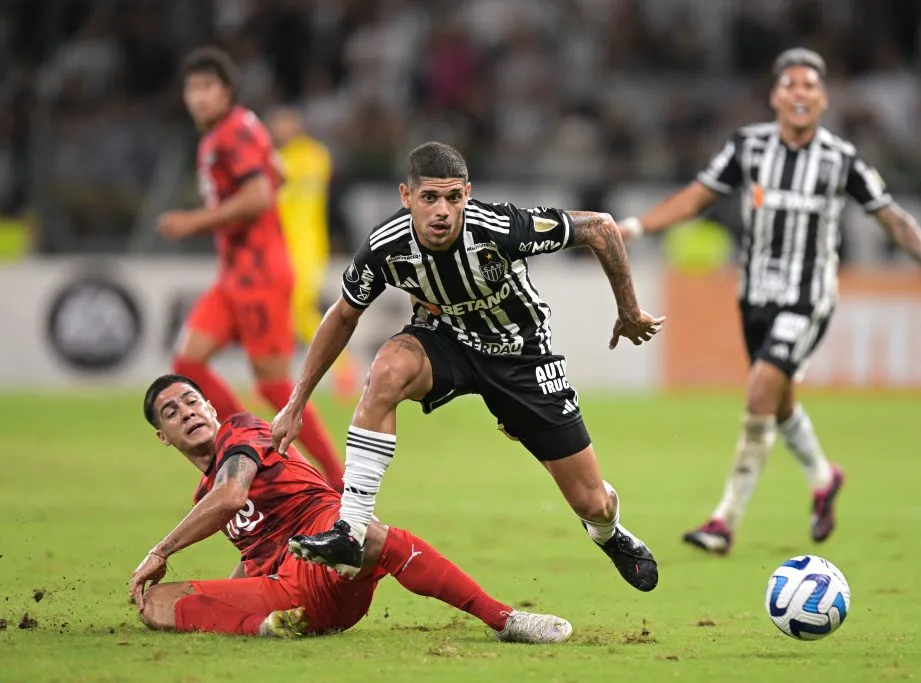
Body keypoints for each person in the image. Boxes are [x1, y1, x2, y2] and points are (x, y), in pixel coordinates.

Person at [271, 141, 664, 592]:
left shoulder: (501, 227)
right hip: (446, 341)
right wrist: (296, 402)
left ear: (468, 194)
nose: (442, 210)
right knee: (386, 370)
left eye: (454, 197)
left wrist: (629, 311)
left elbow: (601, 227)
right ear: (406, 196)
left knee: (591, 501)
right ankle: (351, 529)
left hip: (520, 356)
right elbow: (343, 314)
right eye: (430, 198)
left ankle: (609, 534)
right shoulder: (387, 246)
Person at [616, 48, 921, 554]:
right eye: (790, 85)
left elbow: (892, 217)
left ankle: (723, 522)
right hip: (754, 295)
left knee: (760, 390)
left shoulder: (840, 159)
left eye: (810, 86)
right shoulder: (749, 147)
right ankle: (824, 479)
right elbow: (698, 195)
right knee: (779, 403)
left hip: (809, 298)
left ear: (823, 99)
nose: (800, 93)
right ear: (776, 96)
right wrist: (638, 227)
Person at [129, 374, 572, 643]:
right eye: (171, 412)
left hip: (324, 542)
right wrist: (223, 599)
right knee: (156, 603)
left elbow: (230, 498)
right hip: (289, 594)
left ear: (210, 407)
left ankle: (504, 619)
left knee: (364, 534)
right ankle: (268, 628)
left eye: (191, 401)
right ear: (163, 435)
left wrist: (161, 551)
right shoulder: (202, 496)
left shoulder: (242, 432)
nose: (186, 412)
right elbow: (254, 559)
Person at [157, 46, 344, 490]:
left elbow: (260, 195)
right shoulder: (239, 127)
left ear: (227, 92)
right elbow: (275, 174)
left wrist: (193, 222)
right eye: (192, 88)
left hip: (260, 275)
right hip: (235, 275)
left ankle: (338, 485)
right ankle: (240, 443)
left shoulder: (230, 133)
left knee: (274, 385)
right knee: (188, 363)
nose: (199, 97)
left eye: (208, 87)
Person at [266, 107, 359, 396]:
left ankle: (344, 367)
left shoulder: (303, 157)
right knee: (284, 312)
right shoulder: (312, 156)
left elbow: (276, 180)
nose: (278, 128)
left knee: (296, 310)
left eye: (282, 122)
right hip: (284, 248)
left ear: (297, 124)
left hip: (307, 248)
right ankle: (273, 377)